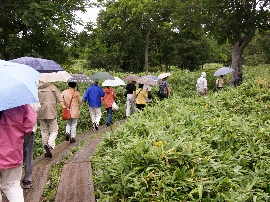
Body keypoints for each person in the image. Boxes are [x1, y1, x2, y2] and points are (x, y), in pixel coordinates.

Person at [0, 105, 36, 202]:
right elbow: (29, 127)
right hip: (12, 153)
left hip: (11, 153)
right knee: (12, 186)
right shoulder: (19, 103)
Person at [38, 81, 61, 158]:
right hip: (51, 111)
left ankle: (46, 150)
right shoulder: (52, 87)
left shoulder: (36, 88)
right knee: (54, 130)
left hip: (40, 112)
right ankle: (50, 144)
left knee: (44, 131)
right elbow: (59, 99)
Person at [22, 102, 41, 189]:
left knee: (18, 154)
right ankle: (27, 179)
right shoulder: (31, 95)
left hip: (16, 130)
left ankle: (13, 180)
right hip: (30, 129)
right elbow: (38, 107)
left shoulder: (14, 97)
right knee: (29, 154)